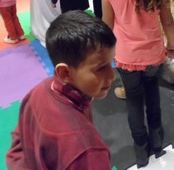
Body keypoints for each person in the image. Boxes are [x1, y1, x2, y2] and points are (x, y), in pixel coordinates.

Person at [102, 0, 174, 168]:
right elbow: (168, 22)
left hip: (126, 57)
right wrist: (172, 45)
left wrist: (103, 57)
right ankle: (157, 140)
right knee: (152, 93)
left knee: (134, 101)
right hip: (153, 54)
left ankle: (140, 149)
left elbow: (106, 26)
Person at [6, 10, 116, 169]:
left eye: (111, 62)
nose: (112, 75)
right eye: (100, 68)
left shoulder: (38, 90)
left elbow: (18, 143)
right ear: (65, 73)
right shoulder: (88, 152)